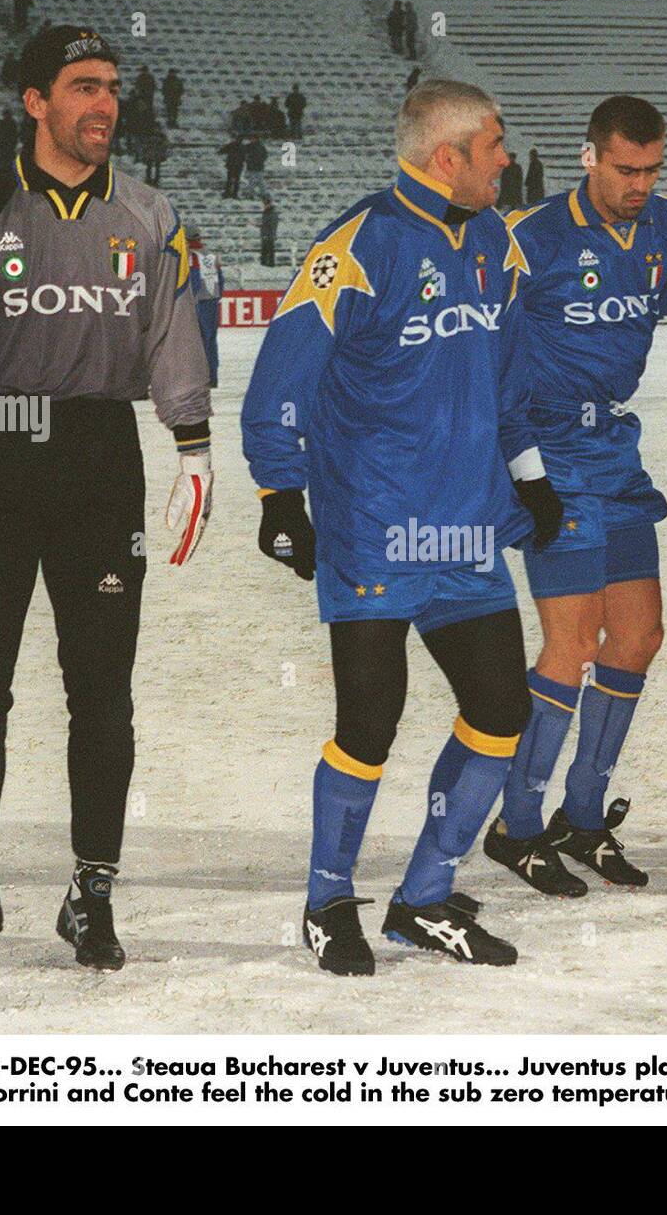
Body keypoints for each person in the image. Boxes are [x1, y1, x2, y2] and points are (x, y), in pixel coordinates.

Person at [0, 25, 213, 978]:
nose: (103, 104)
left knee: (102, 693)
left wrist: (192, 448)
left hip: (99, 457)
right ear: (35, 101)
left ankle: (93, 894)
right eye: (82, 87)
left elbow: (173, 342)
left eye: (111, 87)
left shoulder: (153, 216)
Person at [241, 79, 563, 975]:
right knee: (370, 721)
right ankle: (326, 899)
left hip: (468, 529)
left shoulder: (497, 242)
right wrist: (278, 496)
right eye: (495, 145)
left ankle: (423, 897)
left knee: (501, 711)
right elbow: (279, 385)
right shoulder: (358, 244)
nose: (509, 159)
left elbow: (507, 381)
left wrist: (529, 477)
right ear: (447, 156)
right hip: (376, 525)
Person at [487, 95, 667, 894]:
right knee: (570, 646)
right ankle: (517, 821)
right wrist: (518, 466)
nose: (640, 183)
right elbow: (483, 353)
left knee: (639, 636)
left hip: (615, 450)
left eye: (651, 169)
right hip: (549, 449)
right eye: (626, 169)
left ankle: (582, 812)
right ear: (589, 158)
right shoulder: (529, 238)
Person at [186, 226, 223, 386]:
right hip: (211, 301)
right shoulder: (211, 255)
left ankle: (197, 378)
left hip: (196, 302)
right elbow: (221, 281)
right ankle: (211, 377)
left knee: (194, 341)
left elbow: (193, 280)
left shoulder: (190, 256)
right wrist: (216, 297)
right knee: (210, 340)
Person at [259, 193, 277, 266]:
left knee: (268, 252)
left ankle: (269, 265)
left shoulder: (271, 213)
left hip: (268, 235)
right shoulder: (267, 212)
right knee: (266, 251)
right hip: (266, 235)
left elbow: (272, 225)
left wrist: (269, 234)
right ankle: (265, 264)